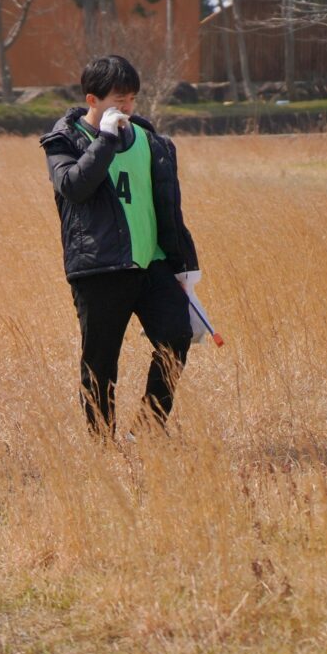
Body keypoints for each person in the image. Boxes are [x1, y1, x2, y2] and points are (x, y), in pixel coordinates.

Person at [41, 55, 201, 437]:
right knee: (100, 363)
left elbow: (168, 207)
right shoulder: (64, 141)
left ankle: (148, 428)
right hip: (100, 269)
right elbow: (75, 187)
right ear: (92, 99)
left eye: (130, 99)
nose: (126, 108)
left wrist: (183, 265)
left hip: (153, 265)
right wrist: (106, 140)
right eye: (117, 100)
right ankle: (104, 445)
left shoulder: (151, 140)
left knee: (177, 336)